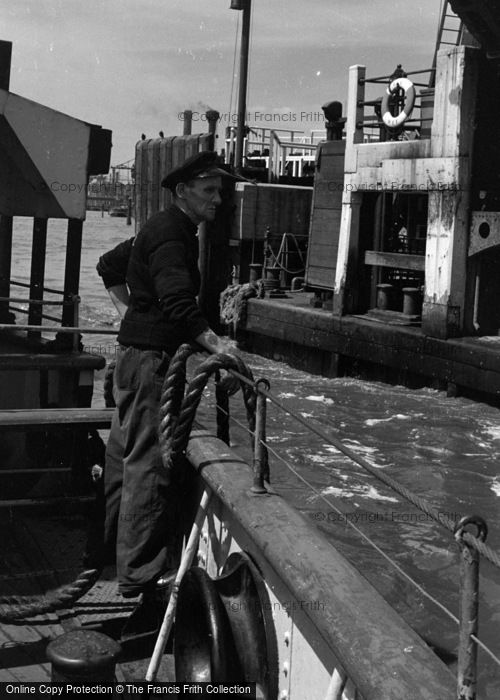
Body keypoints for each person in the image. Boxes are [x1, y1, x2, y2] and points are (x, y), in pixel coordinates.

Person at [96, 151, 237, 641]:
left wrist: (130, 318)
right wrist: (220, 345)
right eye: (209, 191)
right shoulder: (173, 234)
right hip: (150, 366)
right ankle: (142, 587)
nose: (218, 200)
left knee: (125, 456)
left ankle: (114, 558)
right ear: (182, 192)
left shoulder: (155, 230)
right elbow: (179, 304)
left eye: (220, 191)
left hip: (135, 359)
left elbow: (108, 264)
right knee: (150, 466)